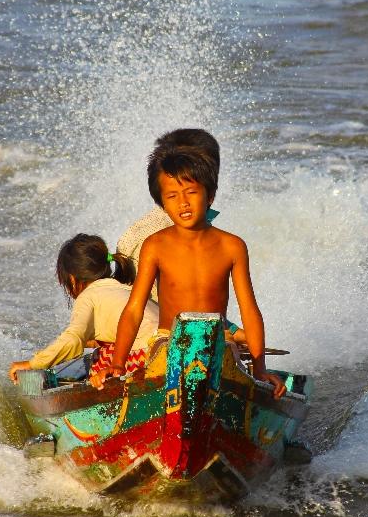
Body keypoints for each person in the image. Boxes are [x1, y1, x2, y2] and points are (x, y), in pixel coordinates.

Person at [92, 141, 286, 398]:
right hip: (167, 339)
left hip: (220, 340)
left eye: (191, 192)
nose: (183, 203)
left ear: (210, 195)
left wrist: (260, 370)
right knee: (161, 369)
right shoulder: (155, 245)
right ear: (162, 203)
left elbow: (249, 309)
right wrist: (117, 364)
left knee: (227, 368)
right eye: (172, 196)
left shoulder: (232, 246)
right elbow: (134, 308)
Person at [116, 127, 245, 344]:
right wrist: (237, 333)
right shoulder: (159, 236)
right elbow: (164, 303)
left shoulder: (187, 219)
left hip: (185, 325)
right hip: (151, 329)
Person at [9, 234, 159, 383]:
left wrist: (31, 364)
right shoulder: (124, 288)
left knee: (99, 358)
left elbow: (73, 340)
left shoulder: (88, 296)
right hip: (164, 346)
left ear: (72, 279)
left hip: (146, 355)